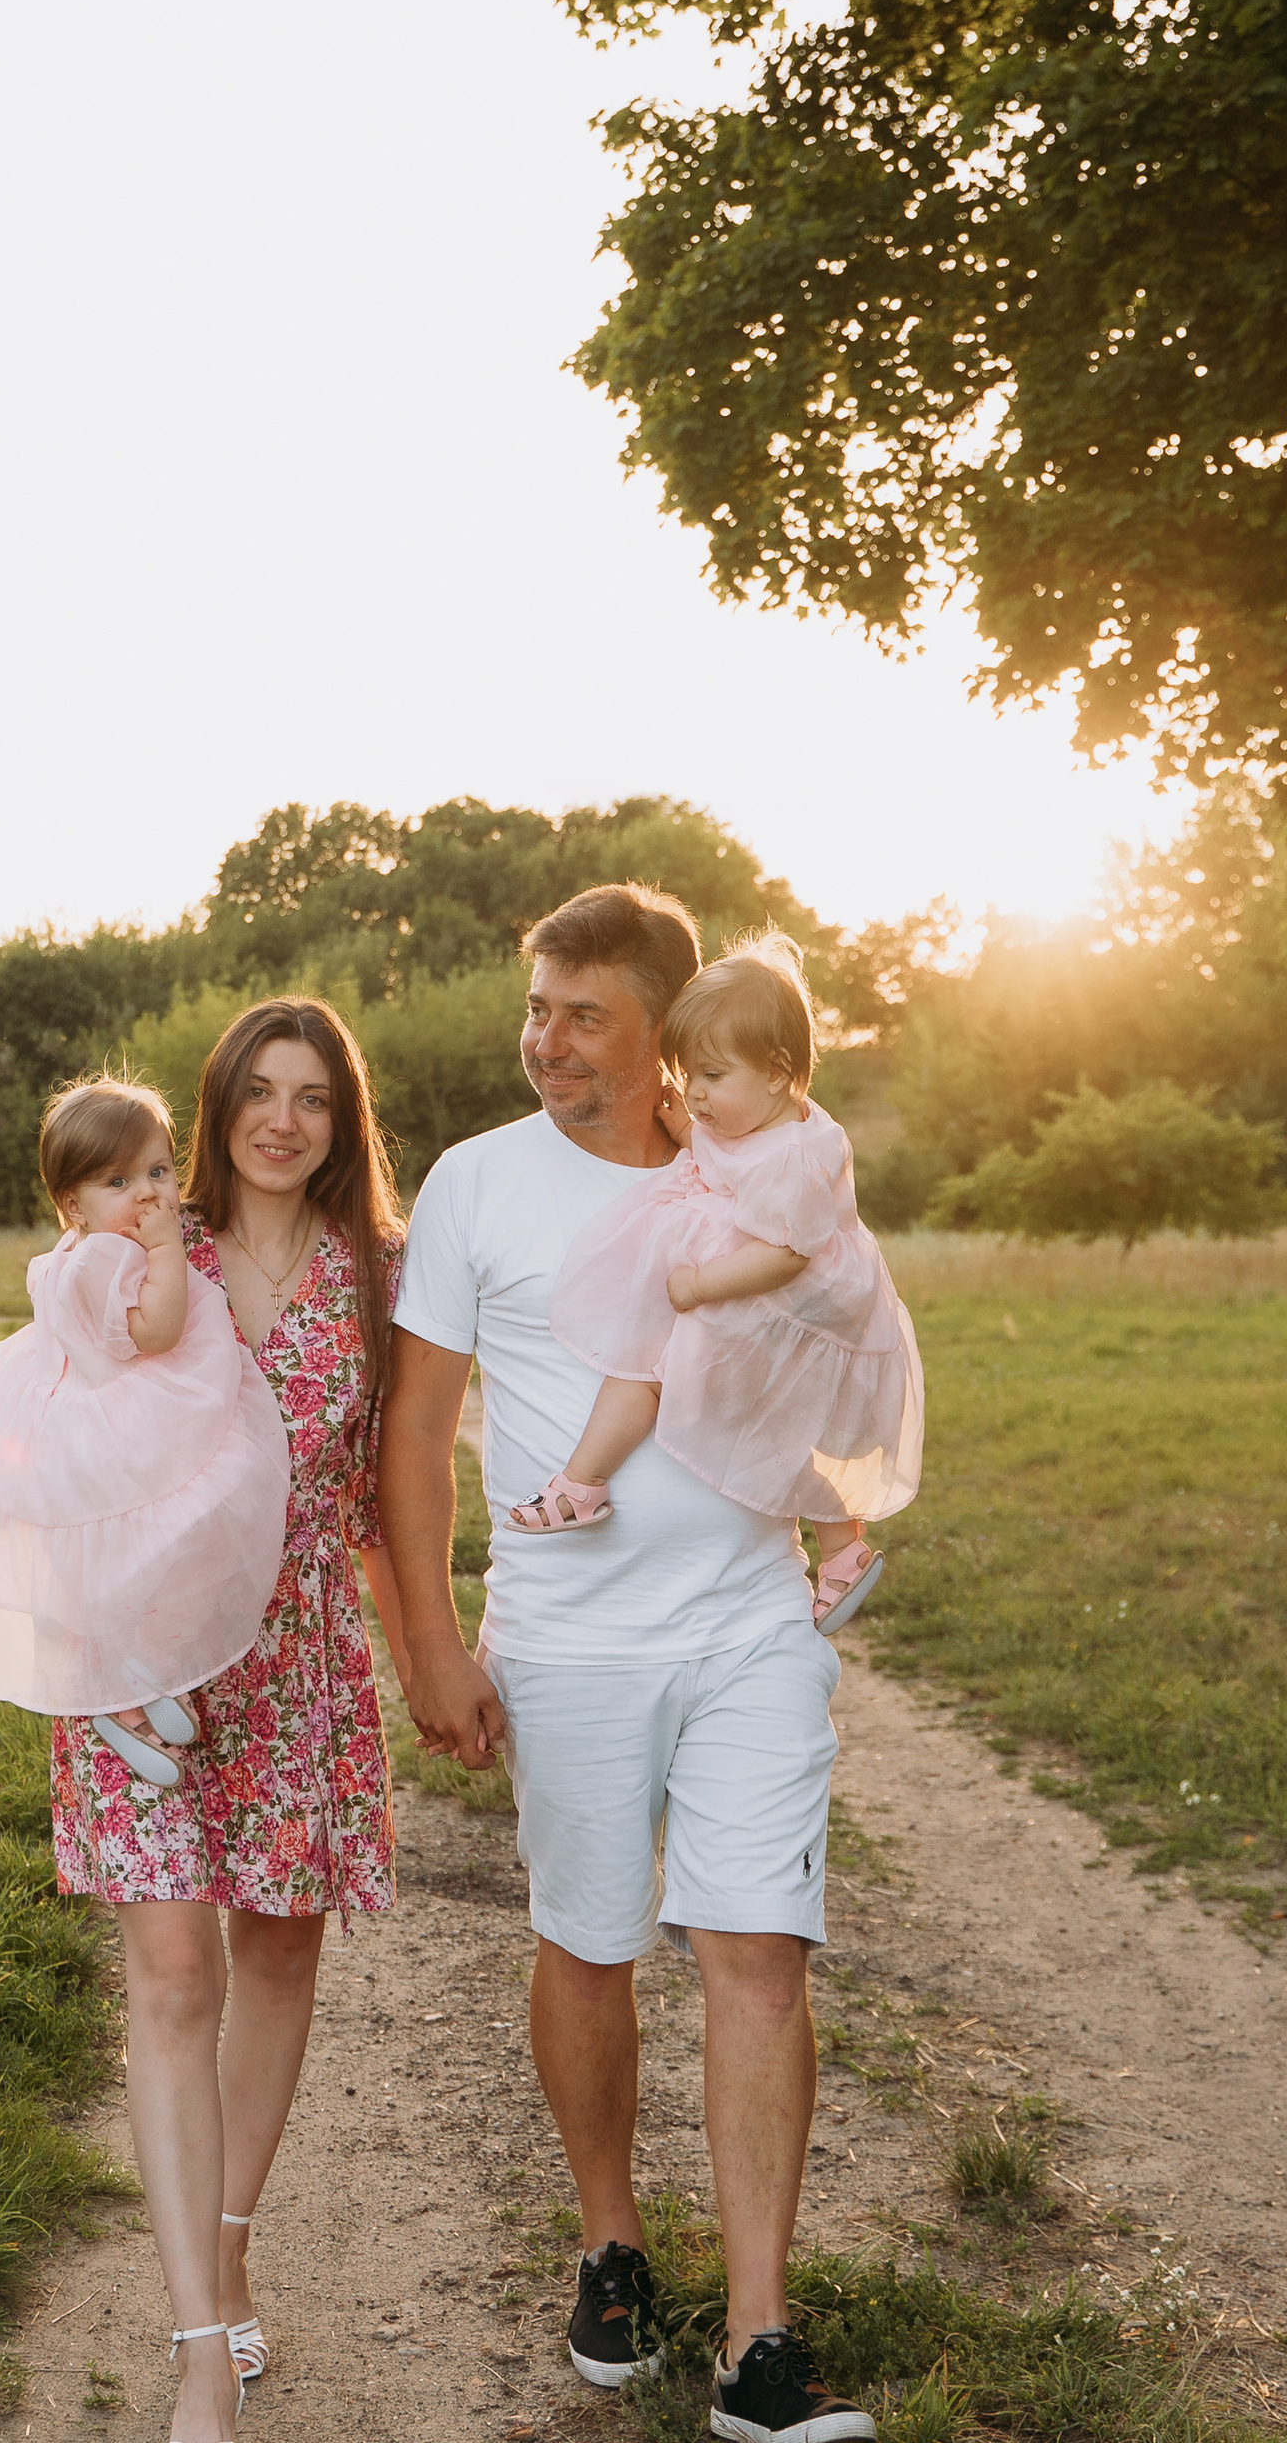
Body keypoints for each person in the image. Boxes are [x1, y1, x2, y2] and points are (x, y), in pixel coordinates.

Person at [382, 885, 879, 2443]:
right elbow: (409, 1435)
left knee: (756, 1944)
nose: (546, 1043)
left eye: (582, 1015)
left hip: (748, 1618)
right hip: (570, 1631)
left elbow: (846, 1341)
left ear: (668, 1031)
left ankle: (759, 2343)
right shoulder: (477, 1185)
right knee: (590, 1938)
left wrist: (850, 1512)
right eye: (535, 1009)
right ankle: (611, 2241)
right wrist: (434, 1639)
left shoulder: (767, 1167)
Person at [45, 998, 406, 2443]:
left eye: (313, 1097)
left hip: (305, 1652)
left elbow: (401, 1481)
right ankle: (201, 2342)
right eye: (259, 1090)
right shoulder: (149, 1241)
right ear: (217, 1102)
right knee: (175, 1971)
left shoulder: (384, 1271)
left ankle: (233, 2237)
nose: (282, 1119)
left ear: (343, 1120)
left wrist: (432, 1649)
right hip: (148, 1647)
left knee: (274, 1952)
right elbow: (63, 1440)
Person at [509, 932, 923, 1640]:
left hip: (787, 1303)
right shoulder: (763, 1118)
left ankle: (581, 1484)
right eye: (686, 1075)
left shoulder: (795, 1155)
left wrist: (700, 1284)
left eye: (710, 1077)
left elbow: (788, 1253)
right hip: (786, 1303)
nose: (694, 1093)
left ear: (778, 1072)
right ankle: (844, 1550)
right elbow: (725, 1154)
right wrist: (686, 1120)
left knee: (647, 1369)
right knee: (773, 1438)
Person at [0, 1077, 292, 1786]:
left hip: (83, 1411)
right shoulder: (111, 1257)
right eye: (119, 1181)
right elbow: (156, 1332)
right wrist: (167, 1252)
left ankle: (131, 1679)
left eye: (159, 1171)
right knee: (182, 1521)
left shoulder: (70, 1252)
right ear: (73, 1205)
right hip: (128, 1413)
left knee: (128, 1558)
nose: (150, 1195)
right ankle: (118, 1694)